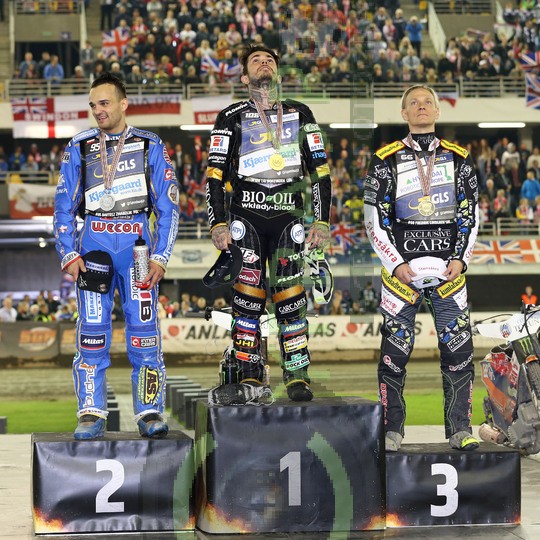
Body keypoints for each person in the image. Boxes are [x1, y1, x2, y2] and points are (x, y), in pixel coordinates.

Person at [53, 72, 180, 440]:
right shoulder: (79, 146)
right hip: (93, 245)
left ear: (124, 104)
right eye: (93, 105)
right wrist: (68, 252)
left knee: (145, 334)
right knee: (92, 334)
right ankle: (90, 412)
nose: (98, 110)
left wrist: (161, 256)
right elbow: (62, 205)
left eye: (104, 103)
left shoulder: (150, 144)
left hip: (138, 248)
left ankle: (149, 410)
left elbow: (169, 205)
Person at [205, 44, 331, 403]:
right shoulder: (229, 116)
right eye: (256, 60)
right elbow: (214, 174)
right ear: (245, 76)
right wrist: (217, 223)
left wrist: (322, 221)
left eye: (270, 60)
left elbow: (320, 172)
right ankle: (249, 373)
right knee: (247, 297)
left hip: (289, 216)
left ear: (278, 72)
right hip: (246, 214)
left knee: (291, 297)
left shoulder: (301, 112)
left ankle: (297, 375)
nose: (264, 63)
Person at [364, 84, 480, 452]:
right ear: (404, 113)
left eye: (428, 101)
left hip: (449, 275)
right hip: (401, 277)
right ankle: (391, 431)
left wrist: (460, 260)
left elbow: (471, 216)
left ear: (438, 110)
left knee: (459, 354)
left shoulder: (459, 158)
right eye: (413, 102)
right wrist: (396, 263)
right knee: (394, 355)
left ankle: (460, 429)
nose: (421, 106)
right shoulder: (384, 159)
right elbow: (373, 218)